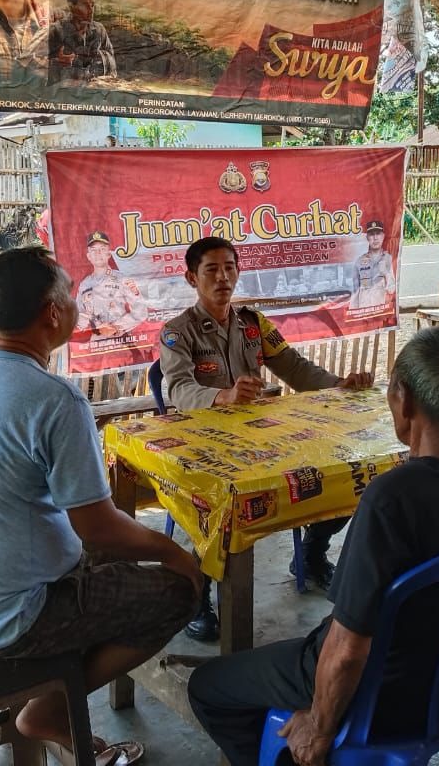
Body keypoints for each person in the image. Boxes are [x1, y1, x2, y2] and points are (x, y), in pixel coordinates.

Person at [0, 247, 200, 766]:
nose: (75, 304)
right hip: (12, 617)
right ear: (52, 313)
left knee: (118, 566)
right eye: (70, 295)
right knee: (180, 591)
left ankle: (54, 691)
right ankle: (48, 708)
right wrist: (172, 552)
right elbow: (98, 528)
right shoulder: (54, 399)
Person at [188, 326, 439, 766]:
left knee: (208, 686)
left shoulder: (391, 497)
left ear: (406, 401)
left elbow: (347, 649)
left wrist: (320, 725)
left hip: (378, 686)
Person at [159, 236, 373, 639]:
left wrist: (339, 385)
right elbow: (178, 390)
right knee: (216, 506)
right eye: (211, 270)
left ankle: (311, 553)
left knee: (344, 471)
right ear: (192, 277)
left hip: (262, 439)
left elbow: (295, 368)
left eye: (229, 268)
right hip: (205, 442)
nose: (223, 277)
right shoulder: (177, 333)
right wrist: (221, 396)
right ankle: (197, 595)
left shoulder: (254, 326)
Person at [76, 230, 147, 338]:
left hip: (121, 341)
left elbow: (140, 312)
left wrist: (116, 326)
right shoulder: (84, 285)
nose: (98, 253)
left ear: (109, 254)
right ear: (88, 256)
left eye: (102, 249)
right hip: (94, 344)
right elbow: (78, 315)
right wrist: (95, 327)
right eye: (93, 250)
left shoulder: (122, 279)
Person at [50, 0, 118, 84]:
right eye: (85, 5)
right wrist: (55, 62)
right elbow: (32, 64)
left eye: (92, 5)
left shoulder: (99, 30)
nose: (91, 10)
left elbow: (110, 60)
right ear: (71, 6)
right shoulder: (56, 30)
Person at [349, 219, 396, 310]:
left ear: (383, 236)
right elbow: (355, 292)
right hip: (363, 312)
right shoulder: (359, 262)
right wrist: (353, 313)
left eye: (378, 234)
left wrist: (386, 273)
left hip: (380, 311)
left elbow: (392, 289)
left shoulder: (388, 259)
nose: (375, 238)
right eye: (372, 234)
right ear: (367, 237)